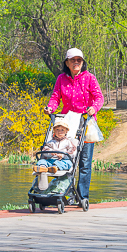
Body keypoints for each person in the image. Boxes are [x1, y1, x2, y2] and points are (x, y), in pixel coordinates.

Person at [44, 48, 104, 202]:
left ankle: (82, 196)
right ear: (67, 62)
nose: (76, 62)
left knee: (84, 162)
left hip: (86, 123)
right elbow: (56, 97)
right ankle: (66, 193)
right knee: (67, 158)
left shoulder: (90, 78)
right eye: (73, 60)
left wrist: (94, 108)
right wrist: (50, 107)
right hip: (67, 123)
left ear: (82, 62)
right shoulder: (61, 79)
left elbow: (99, 98)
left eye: (79, 60)